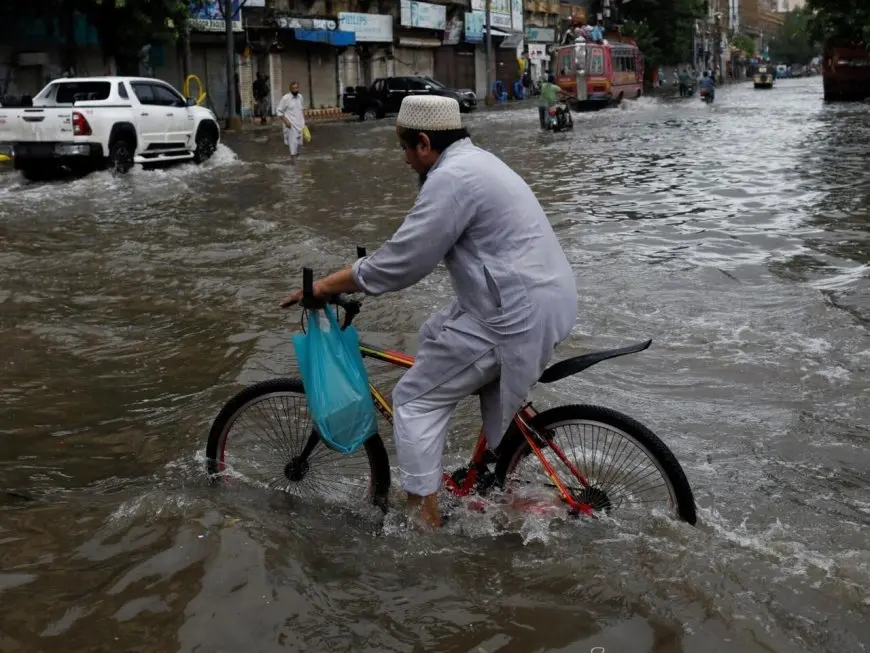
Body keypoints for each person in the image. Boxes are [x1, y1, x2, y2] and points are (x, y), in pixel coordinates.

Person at [279, 96, 578, 528]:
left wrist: (326, 285)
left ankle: (424, 521)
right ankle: (492, 474)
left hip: (514, 313)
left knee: (413, 399)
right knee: (435, 331)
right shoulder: (477, 162)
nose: (404, 161)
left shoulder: (452, 178)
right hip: (535, 296)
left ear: (423, 143)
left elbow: (403, 261)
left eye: (404, 149)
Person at [276, 81, 306, 160]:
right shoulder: (286, 98)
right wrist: (286, 121)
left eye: (296, 88)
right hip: (291, 126)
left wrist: (304, 123)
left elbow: (302, 109)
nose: (295, 90)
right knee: (293, 148)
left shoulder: (300, 97)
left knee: (299, 146)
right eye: (293, 88)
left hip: (300, 125)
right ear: (290, 89)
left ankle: (297, 166)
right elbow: (279, 111)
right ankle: (294, 168)